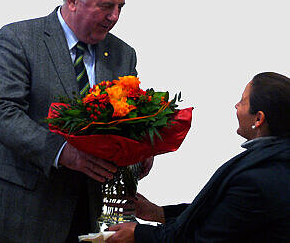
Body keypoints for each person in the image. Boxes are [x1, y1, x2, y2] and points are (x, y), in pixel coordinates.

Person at [0, 0, 152, 243]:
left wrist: (143, 147)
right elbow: (2, 114)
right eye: (106, 6)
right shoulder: (19, 39)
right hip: (27, 214)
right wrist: (63, 152)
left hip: (94, 213)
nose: (115, 17)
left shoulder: (124, 54)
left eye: (120, 6)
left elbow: (128, 118)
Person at [106, 72, 290, 242]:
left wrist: (138, 234)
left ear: (258, 119)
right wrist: (158, 213)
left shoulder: (258, 178)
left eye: (242, 101)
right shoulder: (275, 160)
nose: (236, 105)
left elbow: (202, 237)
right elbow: (221, 214)